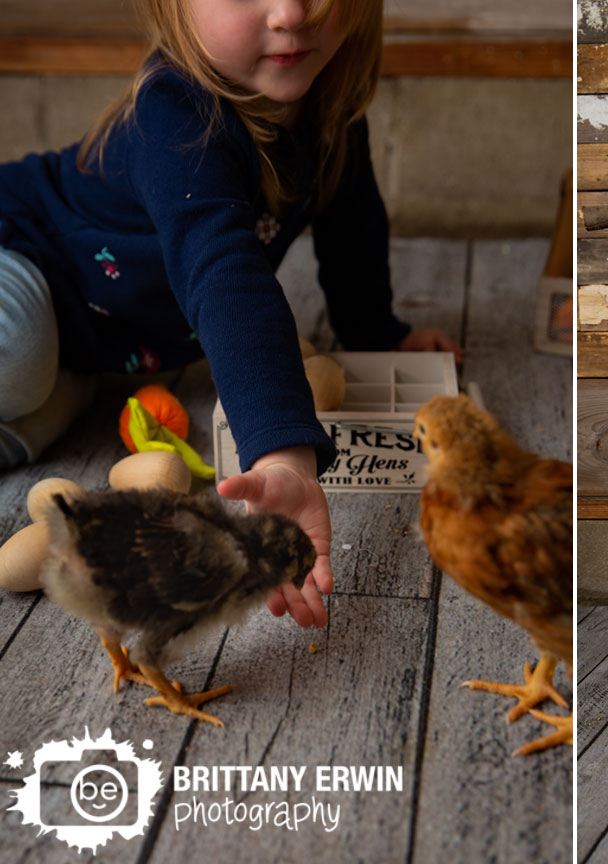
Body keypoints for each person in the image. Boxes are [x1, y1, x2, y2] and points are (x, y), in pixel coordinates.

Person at [0, 0, 461, 628]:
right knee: (21, 356)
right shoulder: (176, 109)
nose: (292, 12)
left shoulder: (327, 101)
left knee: (46, 408)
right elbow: (224, 274)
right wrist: (280, 453)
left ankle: (57, 385)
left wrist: (376, 333)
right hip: (19, 248)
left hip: (94, 333)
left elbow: (352, 224)